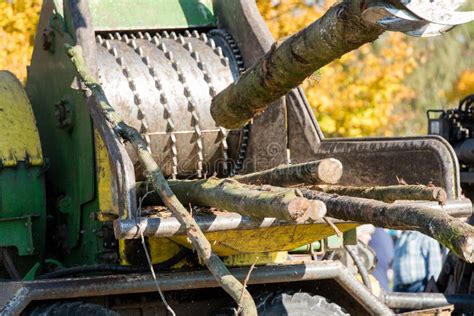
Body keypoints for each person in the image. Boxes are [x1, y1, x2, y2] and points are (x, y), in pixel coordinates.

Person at [369, 228, 394, 292]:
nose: (368, 237)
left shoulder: (374, 233)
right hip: (381, 285)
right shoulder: (385, 237)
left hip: (373, 284)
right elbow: (390, 258)